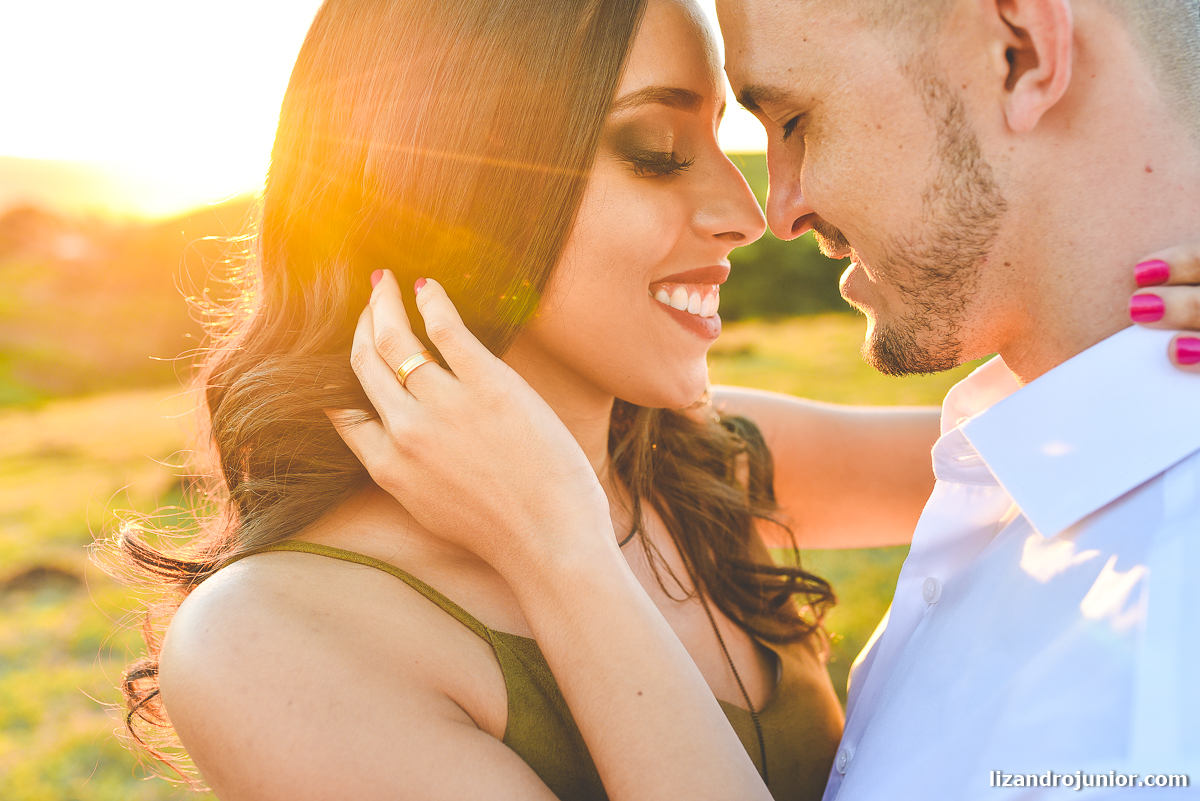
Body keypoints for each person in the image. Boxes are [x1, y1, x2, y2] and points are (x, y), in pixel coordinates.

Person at [109, 1, 1200, 800]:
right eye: (659, 150)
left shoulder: (704, 459)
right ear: (446, 192)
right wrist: (559, 551)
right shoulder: (271, 644)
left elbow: (1087, 447)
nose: (748, 211)